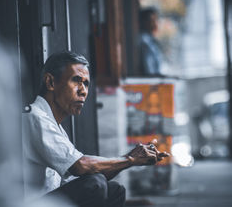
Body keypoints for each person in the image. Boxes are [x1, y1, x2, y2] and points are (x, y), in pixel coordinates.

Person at [22, 50, 170, 207]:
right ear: (51, 82)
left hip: (50, 201)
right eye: (76, 81)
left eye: (86, 83)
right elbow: (80, 166)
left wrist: (130, 160)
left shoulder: (54, 125)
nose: (83, 91)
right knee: (95, 183)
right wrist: (130, 159)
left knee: (115, 190)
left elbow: (82, 173)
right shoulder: (34, 117)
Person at [139, 7, 164, 75]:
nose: (155, 24)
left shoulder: (151, 41)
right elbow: (149, 70)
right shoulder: (144, 41)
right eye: (152, 20)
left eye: (156, 20)